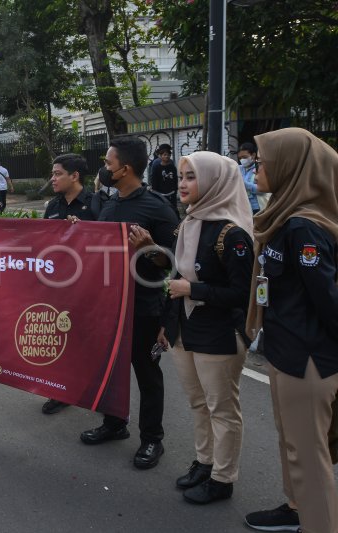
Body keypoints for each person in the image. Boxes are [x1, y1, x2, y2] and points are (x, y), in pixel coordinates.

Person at [243, 128, 338, 533]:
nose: (255, 167)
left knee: (308, 457)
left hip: (308, 359)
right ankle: (295, 509)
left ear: (291, 168)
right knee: (293, 445)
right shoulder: (284, 217)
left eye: (262, 161)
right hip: (285, 352)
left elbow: (329, 303)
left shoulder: (305, 228)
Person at [155, 151, 254, 504]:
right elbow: (175, 279)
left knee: (222, 409)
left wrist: (192, 290)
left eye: (191, 176)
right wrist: (167, 325)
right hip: (185, 328)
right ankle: (204, 462)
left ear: (215, 181)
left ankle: (222, 479)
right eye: (181, 176)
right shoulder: (188, 224)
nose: (182, 183)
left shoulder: (234, 233)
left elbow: (242, 294)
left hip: (219, 332)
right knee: (198, 402)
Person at [79, 137, 178, 470]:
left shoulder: (158, 208)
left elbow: (173, 262)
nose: (105, 169)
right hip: (107, 304)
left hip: (142, 306)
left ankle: (152, 440)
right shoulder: (110, 203)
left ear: (126, 168)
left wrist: (149, 249)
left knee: (147, 374)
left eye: (109, 164)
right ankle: (114, 423)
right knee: (109, 367)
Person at [39, 154, 99, 415]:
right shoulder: (52, 206)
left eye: (57, 173)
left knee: (90, 344)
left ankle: (98, 395)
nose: (53, 179)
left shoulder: (96, 204)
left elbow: (105, 244)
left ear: (74, 176)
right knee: (59, 340)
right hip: (57, 287)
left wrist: (82, 231)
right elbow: (39, 243)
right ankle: (61, 390)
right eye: (52, 174)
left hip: (89, 288)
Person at [237, 142, 265, 215]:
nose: (242, 160)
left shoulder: (260, 168)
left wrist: (244, 183)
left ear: (253, 155)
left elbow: (262, 189)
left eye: (244, 157)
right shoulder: (238, 168)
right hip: (242, 208)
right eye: (240, 158)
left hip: (256, 207)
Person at [148, 144, 179, 210]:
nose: (167, 156)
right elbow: (153, 178)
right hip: (160, 193)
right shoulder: (156, 165)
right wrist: (154, 191)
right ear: (160, 155)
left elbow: (175, 179)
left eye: (168, 154)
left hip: (171, 192)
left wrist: (175, 189)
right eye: (165, 154)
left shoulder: (172, 165)